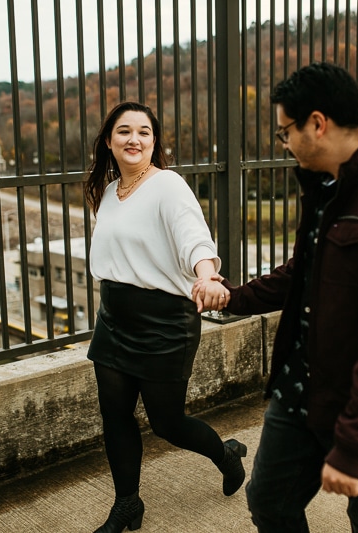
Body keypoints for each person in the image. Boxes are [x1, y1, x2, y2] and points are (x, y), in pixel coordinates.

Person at [193, 62, 358, 532]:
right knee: (269, 502)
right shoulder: (325, 186)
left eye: (285, 132)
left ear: (317, 123)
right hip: (303, 388)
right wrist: (232, 297)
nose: (285, 144)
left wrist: (355, 446)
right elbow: (304, 274)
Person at [84, 101, 246, 533]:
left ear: (154, 142)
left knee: (167, 423)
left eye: (143, 132)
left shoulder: (168, 185)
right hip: (114, 318)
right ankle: (127, 505)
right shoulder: (110, 191)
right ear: (108, 141)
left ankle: (225, 456)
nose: (133, 139)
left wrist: (208, 276)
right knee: (115, 416)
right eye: (124, 131)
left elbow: (194, 236)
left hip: (163, 322)